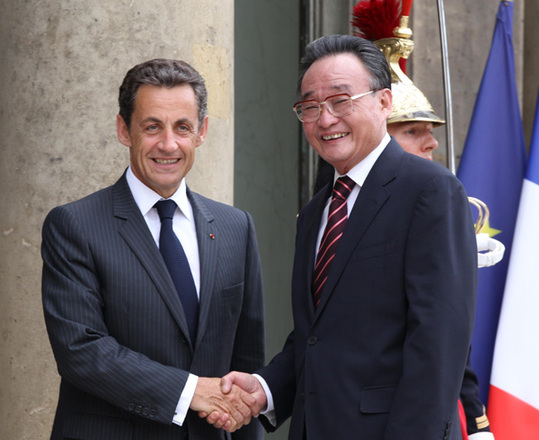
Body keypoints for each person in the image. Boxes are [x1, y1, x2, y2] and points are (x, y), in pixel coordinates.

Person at [206, 34, 478, 440]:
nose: (325, 119)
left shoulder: (430, 191)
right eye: (310, 107)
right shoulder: (317, 210)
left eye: (340, 101)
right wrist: (263, 390)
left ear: (384, 102)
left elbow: (438, 344)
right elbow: (316, 338)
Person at [41, 58, 265, 440]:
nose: (168, 144)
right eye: (152, 127)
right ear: (123, 129)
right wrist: (191, 391)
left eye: (182, 127)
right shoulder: (74, 225)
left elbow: (243, 366)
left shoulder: (235, 227)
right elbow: (81, 351)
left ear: (202, 132)